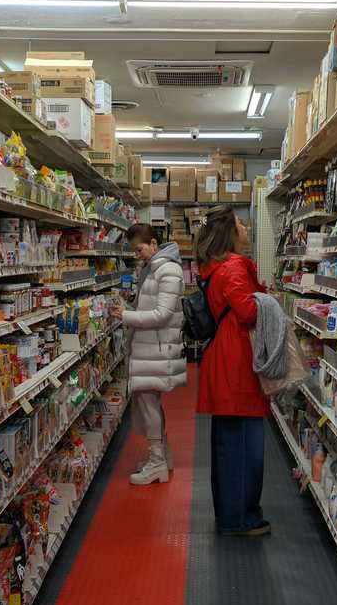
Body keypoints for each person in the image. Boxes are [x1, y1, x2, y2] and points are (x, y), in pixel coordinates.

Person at [195, 205, 271, 536]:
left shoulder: (215, 268)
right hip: (237, 362)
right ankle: (241, 517)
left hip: (224, 358)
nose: (246, 228)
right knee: (244, 445)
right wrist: (269, 300)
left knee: (228, 443)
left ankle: (230, 513)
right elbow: (248, 311)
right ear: (230, 232)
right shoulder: (234, 267)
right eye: (241, 223)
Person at [109, 224, 186, 485]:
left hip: (156, 349)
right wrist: (128, 306)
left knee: (148, 404)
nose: (137, 255)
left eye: (139, 249)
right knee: (149, 403)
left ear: (154, 244)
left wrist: (127, 316)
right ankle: (163, 457)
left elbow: (162, 315)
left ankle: (157, 463)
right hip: (149, 347)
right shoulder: (152, 268)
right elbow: (150, 307)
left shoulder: (168, 270)